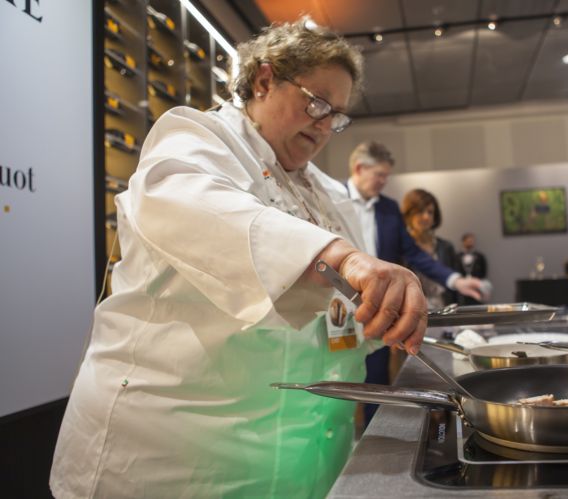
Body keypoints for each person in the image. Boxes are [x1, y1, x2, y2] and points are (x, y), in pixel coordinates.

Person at [50, 19, 428, 499]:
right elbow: (195, 206)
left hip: (300, 457)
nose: (324, 125)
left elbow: (336, 313)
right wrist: (338, 255)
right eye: (316, 104)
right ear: (265, 80)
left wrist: (386, 310)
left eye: (336, 115)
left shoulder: (326, 192)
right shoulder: (197, 139)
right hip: (173, 457)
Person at [346, 141, 483, 424]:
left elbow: (414, 255)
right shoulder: (332, 197)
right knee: (340, 380)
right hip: (339, 309)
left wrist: (455, 280)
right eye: (380, 175)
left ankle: (373, 440)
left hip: (379, 307)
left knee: (378, 380)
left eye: (386, 175)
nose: (384, 181)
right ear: (359, 169)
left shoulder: (389, 208)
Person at [401, 188, 459, 309]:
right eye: (420, 211)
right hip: (412, 311)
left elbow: (456, 289)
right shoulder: (401, 249)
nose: (426, 217)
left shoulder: (446, 247)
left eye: (430, 212)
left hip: (446, 311)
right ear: (409, 214)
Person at [455, 232, 488, 305]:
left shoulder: (480, 256)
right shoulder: (457, 257)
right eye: (468, 241)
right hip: (461, 288)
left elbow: (484, 272)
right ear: (463, 241)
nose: (471, 243)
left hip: (476, 287)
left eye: (472, 241)